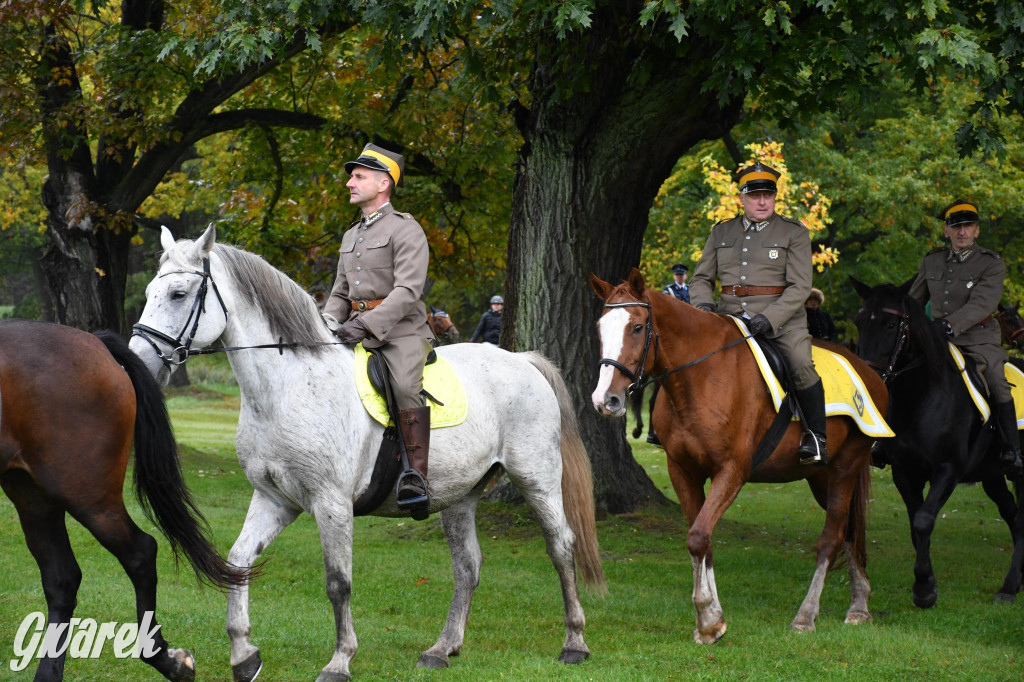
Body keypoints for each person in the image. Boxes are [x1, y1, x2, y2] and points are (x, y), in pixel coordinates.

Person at [689, 162, 828, 465]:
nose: (762, 201)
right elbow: (700, 279)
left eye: (768, 195)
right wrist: (703, 308)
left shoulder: (794, 232)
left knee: (801, 364)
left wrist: (771, 317)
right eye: (755, 196)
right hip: (727, 320)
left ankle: (816, 437)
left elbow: (800, 286)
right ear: (741, 198)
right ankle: (672, 429)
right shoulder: (721, 232)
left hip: (782, 323)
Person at [323, 142, 434, 511]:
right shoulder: (350, 235)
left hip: (401, 331)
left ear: (383, 183)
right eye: (352, 177)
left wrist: (367, 323)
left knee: (404, 386)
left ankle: (416, 476)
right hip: (356, 329)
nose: (350, 184)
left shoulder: (406, 229)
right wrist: (326, 323)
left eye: (358, 177)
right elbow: (340, 292)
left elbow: (408, 291)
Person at [908, 200, 1022, 474]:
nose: (962, 232)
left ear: (977, 231)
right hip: (936, 341)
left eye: (968, 226)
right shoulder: (931, 261)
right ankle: (889, 440)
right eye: (956, 226)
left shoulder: (991, 264)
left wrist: (948, 326)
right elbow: (913, 300)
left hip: (979, 341)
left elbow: (982, 304)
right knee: (900, 371)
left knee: (997, 379)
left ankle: (1012, 449)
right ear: (946, 231)